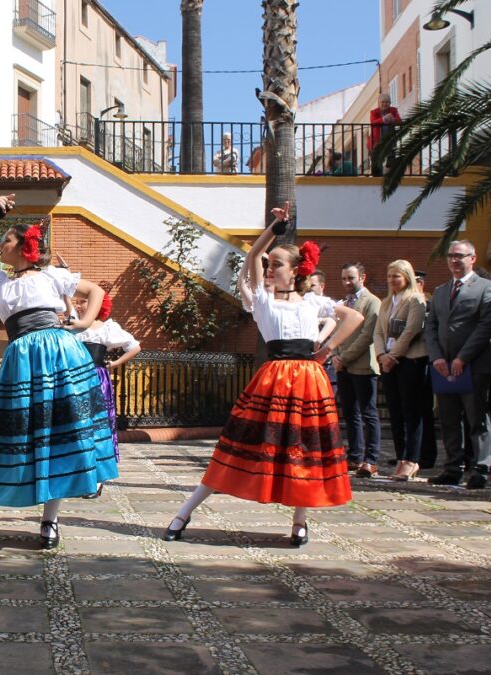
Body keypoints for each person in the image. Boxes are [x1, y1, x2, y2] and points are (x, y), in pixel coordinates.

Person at [163, 204, 363, 547]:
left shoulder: (313, 302)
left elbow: (355, 319)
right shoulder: (263, 301)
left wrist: (327, 349)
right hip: (272, 380)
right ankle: (184, 512)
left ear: (297, 269)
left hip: (307, 380)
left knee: (303, 452)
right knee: (235, 448)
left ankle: (299, 522)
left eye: (278, 264)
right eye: (269, 265)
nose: (270, 269)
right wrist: (276, 226)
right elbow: (254, 254)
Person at [0, 193, 116, 549]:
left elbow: (95, 290)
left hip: (62, 353)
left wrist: (83, 322)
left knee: (61, 435)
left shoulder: (52, 275)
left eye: (5, 239)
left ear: (23, 247)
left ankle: (50, 522)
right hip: (22, 357)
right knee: (11, 437)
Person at [424, 240, 491, 489]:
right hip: (443, 367)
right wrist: (436, 357)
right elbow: (432, 326)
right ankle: (453, 466)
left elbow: (486, 326)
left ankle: (480, 466)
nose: (454, 260)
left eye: (460, 256)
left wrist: (462, 357)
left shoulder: (487, 287)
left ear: (473, 258)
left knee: (476, 417)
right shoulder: (441, 290)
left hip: (474, 365)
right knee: (448, 418)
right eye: (450, 256)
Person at [68, 281, 141, 499]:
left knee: (97, 428)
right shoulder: (75, 325)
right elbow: (67, 303)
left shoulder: (107, 328)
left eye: (84, 302)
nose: (79, 306)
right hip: (74, 381)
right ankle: (80, 475)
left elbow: (134, 346)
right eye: (78, 302)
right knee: (76, 427)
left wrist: (115, 364)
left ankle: (98, 479)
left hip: (96, 380)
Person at [373, 260, 428, 481]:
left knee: (411, 412)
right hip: (388, 361)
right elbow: (378, 332)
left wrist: (393, 355)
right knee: (395, 412)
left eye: (396, 276)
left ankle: (411, 459)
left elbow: (411, 330)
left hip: (409, 360)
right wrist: (381, 356)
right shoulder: (386, 302)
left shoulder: (415, 299)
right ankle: (400, 457)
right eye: (389, 276)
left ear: (407, 276)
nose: (392, 280)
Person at [333, 262, 382, 477]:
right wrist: (335, 355)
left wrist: (344, 357)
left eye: (350, 278)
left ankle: (371, 459)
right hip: (343, 365)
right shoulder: (343, 302)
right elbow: (336, 330)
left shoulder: (372, 302)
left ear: (362, 277)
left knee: (368, 413)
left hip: (363, 366)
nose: (346, 282)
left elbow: (367, 335)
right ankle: (354, 455)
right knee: (350, 412)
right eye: (344, 278)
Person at [415, 270, 438, 469]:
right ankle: (411, 452)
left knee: (424, 410)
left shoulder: (428, 304)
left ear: (420, 283)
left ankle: (427, 454)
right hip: (405, 361)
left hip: (424, 360)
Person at [368, 93, 401, 177]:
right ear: (379, 103)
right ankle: (377, 177)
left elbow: (400, 121)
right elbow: (373, 123)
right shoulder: (374, 112)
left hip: (389, 139)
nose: (385, 104)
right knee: (376, 161)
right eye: (383, 102)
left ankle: (390, 175)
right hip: (376, 140)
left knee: (391, 158)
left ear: (390, 103)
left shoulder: (393, 110)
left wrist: (393, 119)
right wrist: (384, 119)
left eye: (387, 102)